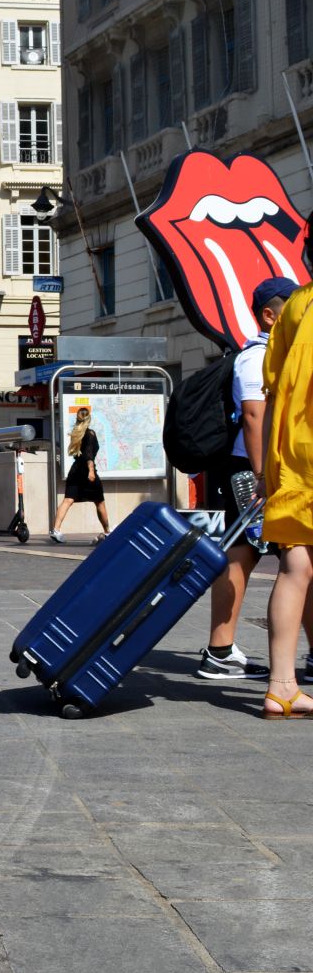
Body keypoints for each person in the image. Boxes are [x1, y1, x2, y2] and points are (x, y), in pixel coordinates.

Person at [197, 278, 298, 680]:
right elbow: (255, 417)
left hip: (268, 470)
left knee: (281, 555)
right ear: (270, 316)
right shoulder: (256, 357)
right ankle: (220, 651)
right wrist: (261, 477)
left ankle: (222, 651)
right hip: (252, 471)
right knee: (246, 554)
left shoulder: (281, 353)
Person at [258, 268, 313, 717]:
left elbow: (273, 393)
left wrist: (266, 469)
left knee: (296, 567)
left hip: (294, 458)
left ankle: (281, 685)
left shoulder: (294, 306)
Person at [50, 407, 110, 543]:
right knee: (99, 501)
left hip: (75, 470)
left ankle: (56, 529)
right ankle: (107, 532)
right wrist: (91, 470)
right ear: (89, 419)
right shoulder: (90, 434)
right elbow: (89, 453)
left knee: (68, 500)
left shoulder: (77, 433)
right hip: (86, 471)